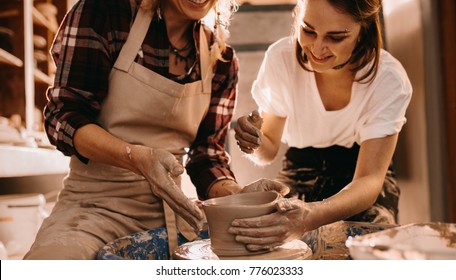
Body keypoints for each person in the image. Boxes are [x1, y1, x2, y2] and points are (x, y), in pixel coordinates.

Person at [24, 0, 252, 260]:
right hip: (92, 210)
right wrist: (136, 158)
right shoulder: (105, 14)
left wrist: (238, 196)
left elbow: (206, 155)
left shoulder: (221, 59)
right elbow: (62, 117)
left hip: (172, 217)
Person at [230, 0, 412, 252]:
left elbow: (370, 179)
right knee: (266, 239)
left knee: (370, 243)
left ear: (364, 30)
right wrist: (254, 143)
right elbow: (268, 150)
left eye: (335, 37)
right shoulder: (281, 58)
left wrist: (311, 215)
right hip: (300, 167)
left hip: (360, 171)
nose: (316, 48)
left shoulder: (388, 77)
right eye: (308, 30)